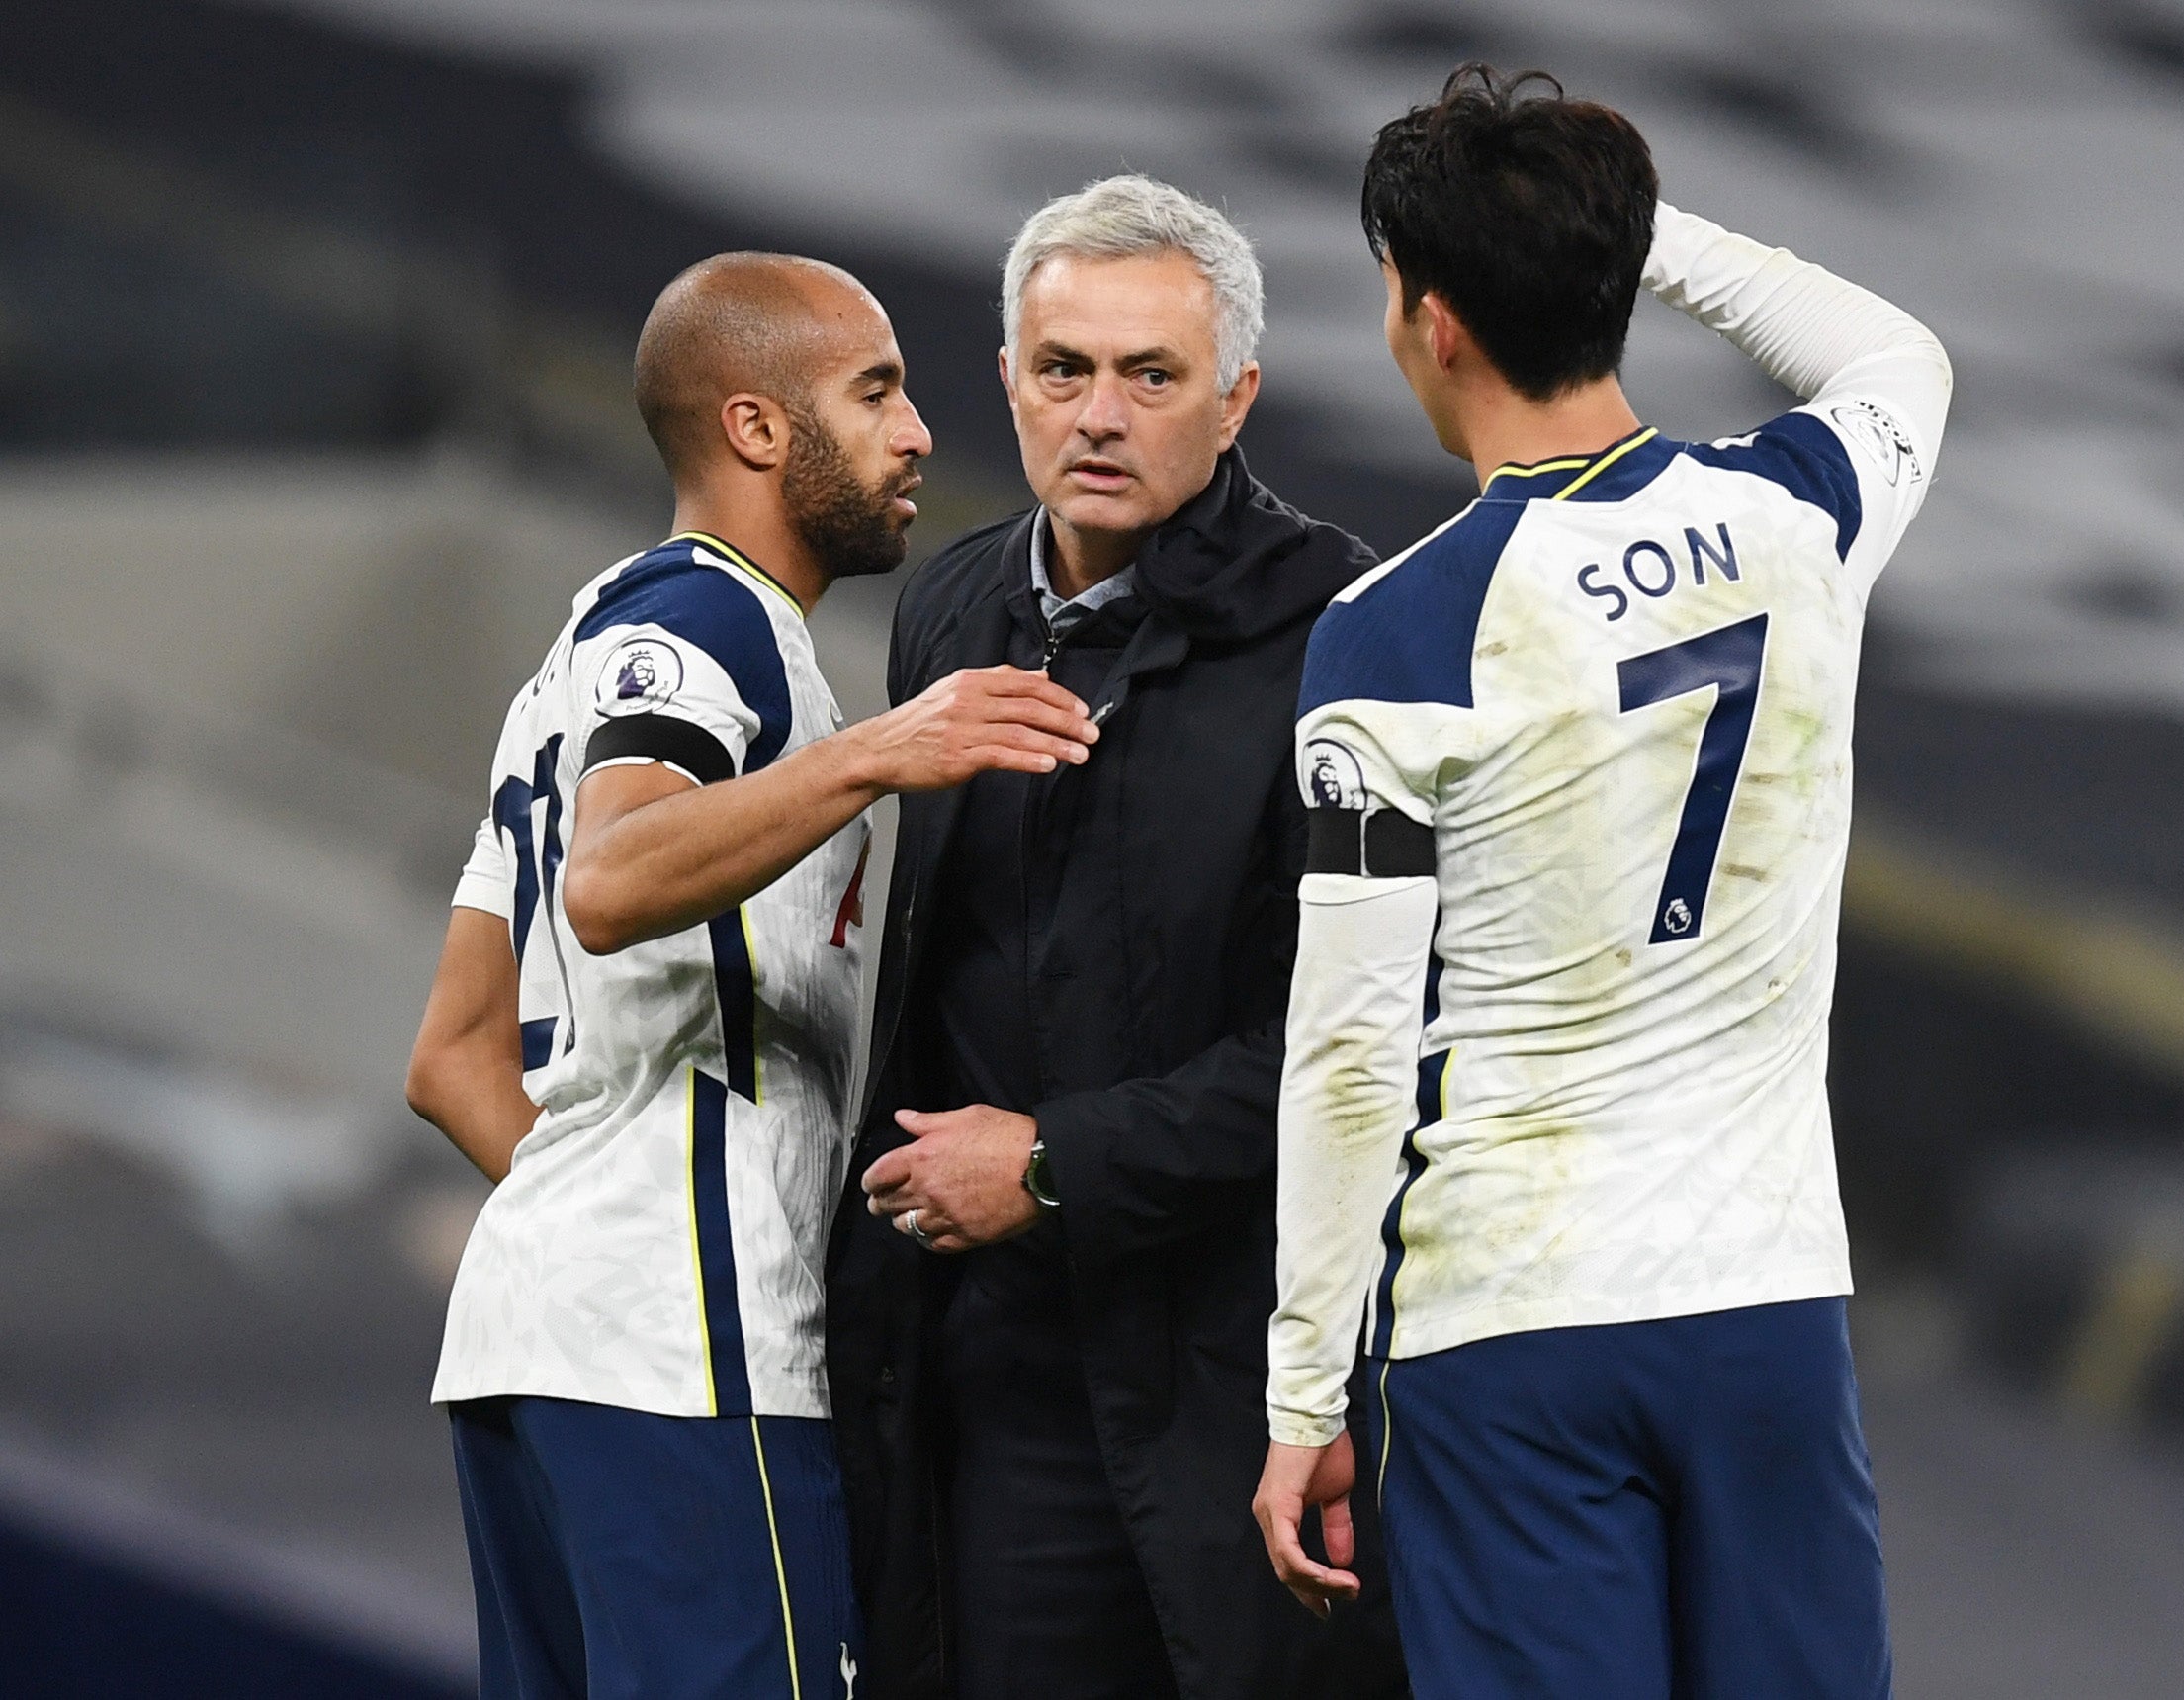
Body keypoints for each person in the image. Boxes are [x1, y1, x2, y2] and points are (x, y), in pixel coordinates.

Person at [1253, 67, 1952, 1700]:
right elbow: (1895, 357)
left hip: (1513, 1336)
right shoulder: (1801, 517)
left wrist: (1303, 1402)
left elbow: (1350, 1057)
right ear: (1611, 282)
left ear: (1431, 321)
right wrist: (1649, 240)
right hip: (1768, 1313)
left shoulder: (1394, 637)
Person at [404, 251, 1096, 1700]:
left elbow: (455, 1054)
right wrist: (878, 752)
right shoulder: (711, 620)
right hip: (687, 1366)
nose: (916, 434)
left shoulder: (570, 675)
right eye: (877, 391)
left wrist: (602, 1249)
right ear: (756, 428)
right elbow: (610, 880)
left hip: (536, 1350)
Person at [830, 177, 1406, 1700]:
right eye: (1065, 368)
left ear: (1236, 402)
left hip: (1255, 1387)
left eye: (1151, 376)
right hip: (998, 1382)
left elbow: (1356, 1049)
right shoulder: (950, 608)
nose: (1101, 414)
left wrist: (1047, 1162)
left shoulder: (1348, 634)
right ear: (1007, 380)